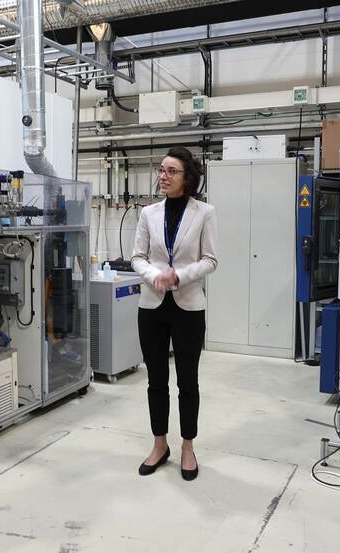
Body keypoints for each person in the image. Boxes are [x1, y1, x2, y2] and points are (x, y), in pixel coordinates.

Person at [131, 146, 218, 481]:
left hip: (188, 308)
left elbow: (211, 259)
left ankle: (187, 447)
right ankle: (159, 444)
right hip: (152, 306)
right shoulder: (148, 213)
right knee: (155, 381)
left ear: (187, 178)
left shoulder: (204, 213)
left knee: (187, 382)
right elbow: (138, 256)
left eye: (171, 171)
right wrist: (155, 276)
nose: (162, 176)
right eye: (161, 170)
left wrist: (179, 276)